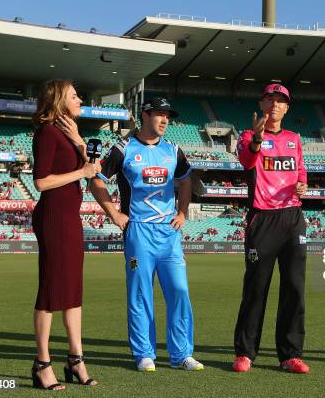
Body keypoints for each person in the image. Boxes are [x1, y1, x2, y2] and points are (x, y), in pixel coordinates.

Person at [91, 97, 203, 372]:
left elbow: (185, 180)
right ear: (145, 114)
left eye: (168, 116)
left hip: (169, 232)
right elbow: (96, 182)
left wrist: (182, 212)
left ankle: (181, 355)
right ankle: (144, 354)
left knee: (179, 291)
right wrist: (114, 214)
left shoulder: (173, 149)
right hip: (138, 232)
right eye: (160, 115)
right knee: (140, 294)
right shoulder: (122, 149)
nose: (165, 120)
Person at [232, 84, 310, 374]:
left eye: (281, 101)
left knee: (294, 288)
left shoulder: (294, 139)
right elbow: (246, 161)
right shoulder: (247, 136)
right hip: (262, 218)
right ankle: (245, 353)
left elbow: (301, 171)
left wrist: (303, 185)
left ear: (287, 108)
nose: (275, 104)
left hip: (292, 217)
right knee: (256, 288)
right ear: (262, 103)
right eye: (270, 99)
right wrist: (257, 140)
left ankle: (290, 355)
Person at [31, 79, 100, 389]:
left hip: (70, 218)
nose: (79, 98)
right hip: (53, 218)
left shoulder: (69, 134)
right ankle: (42, 364)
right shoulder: (46, 133)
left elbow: (95, 169)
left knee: (73, 291)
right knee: (50, 290)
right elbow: (42, 182)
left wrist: (79, 141)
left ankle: (76, 360)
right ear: (59, 100)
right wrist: (82, 171)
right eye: (74, 95)